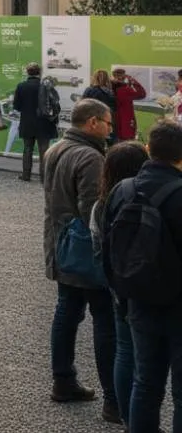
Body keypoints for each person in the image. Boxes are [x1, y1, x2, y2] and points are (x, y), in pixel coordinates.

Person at [102, 123, 182, 433]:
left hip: (137, 300)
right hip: (178, 305)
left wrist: (120, 294)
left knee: (146, 383)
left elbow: (107, 248)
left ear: (149, 148)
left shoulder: (123, 190)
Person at [43, 99, 116, 410]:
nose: (111, 129)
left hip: (61, 244)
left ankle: (63, 380)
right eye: (108, 123)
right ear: (93, 123)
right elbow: (93, 212)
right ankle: (114, 398)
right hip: (85, 251)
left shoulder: (54, 149)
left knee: (67, 312)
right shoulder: (91, 158)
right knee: (105, 322)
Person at [89, 140, 149, 427]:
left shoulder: (102, 203)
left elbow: (99, 246)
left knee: (125, 350)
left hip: (116, 287)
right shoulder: (143, 199)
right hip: (144, 290)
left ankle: (121, 412)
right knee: (145, 361)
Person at [13, 64, 59, 183]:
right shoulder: (47, 86)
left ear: (28, 72)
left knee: (27, 149)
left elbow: (16, 106)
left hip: (27, 122)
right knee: (44, 150)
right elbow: (55, 103)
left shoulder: (21, 86)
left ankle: (26, 175)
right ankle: (44, 177)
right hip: (44, 122)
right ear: (39, 72)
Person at [110, 68, 148, 141]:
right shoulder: (126, 90)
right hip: (126, 127)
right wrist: (132, 80)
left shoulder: (108, 89)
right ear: (124, 77)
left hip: (113, 124)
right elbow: (142, 94)